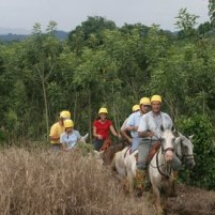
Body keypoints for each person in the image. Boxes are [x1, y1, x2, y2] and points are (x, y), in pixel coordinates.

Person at [136, 95, 181, 190]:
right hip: (147, 142)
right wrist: (147, 133)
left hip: (164, 143)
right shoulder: (146, 117)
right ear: (151, 105)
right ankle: (140, 184)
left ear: (161, 105)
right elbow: (140, 133)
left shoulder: (166, 116)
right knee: (141, 162)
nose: (156, 106)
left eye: (158, 104)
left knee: (177, 163)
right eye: (154, 104)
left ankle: (173, 185)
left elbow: (172, 131)